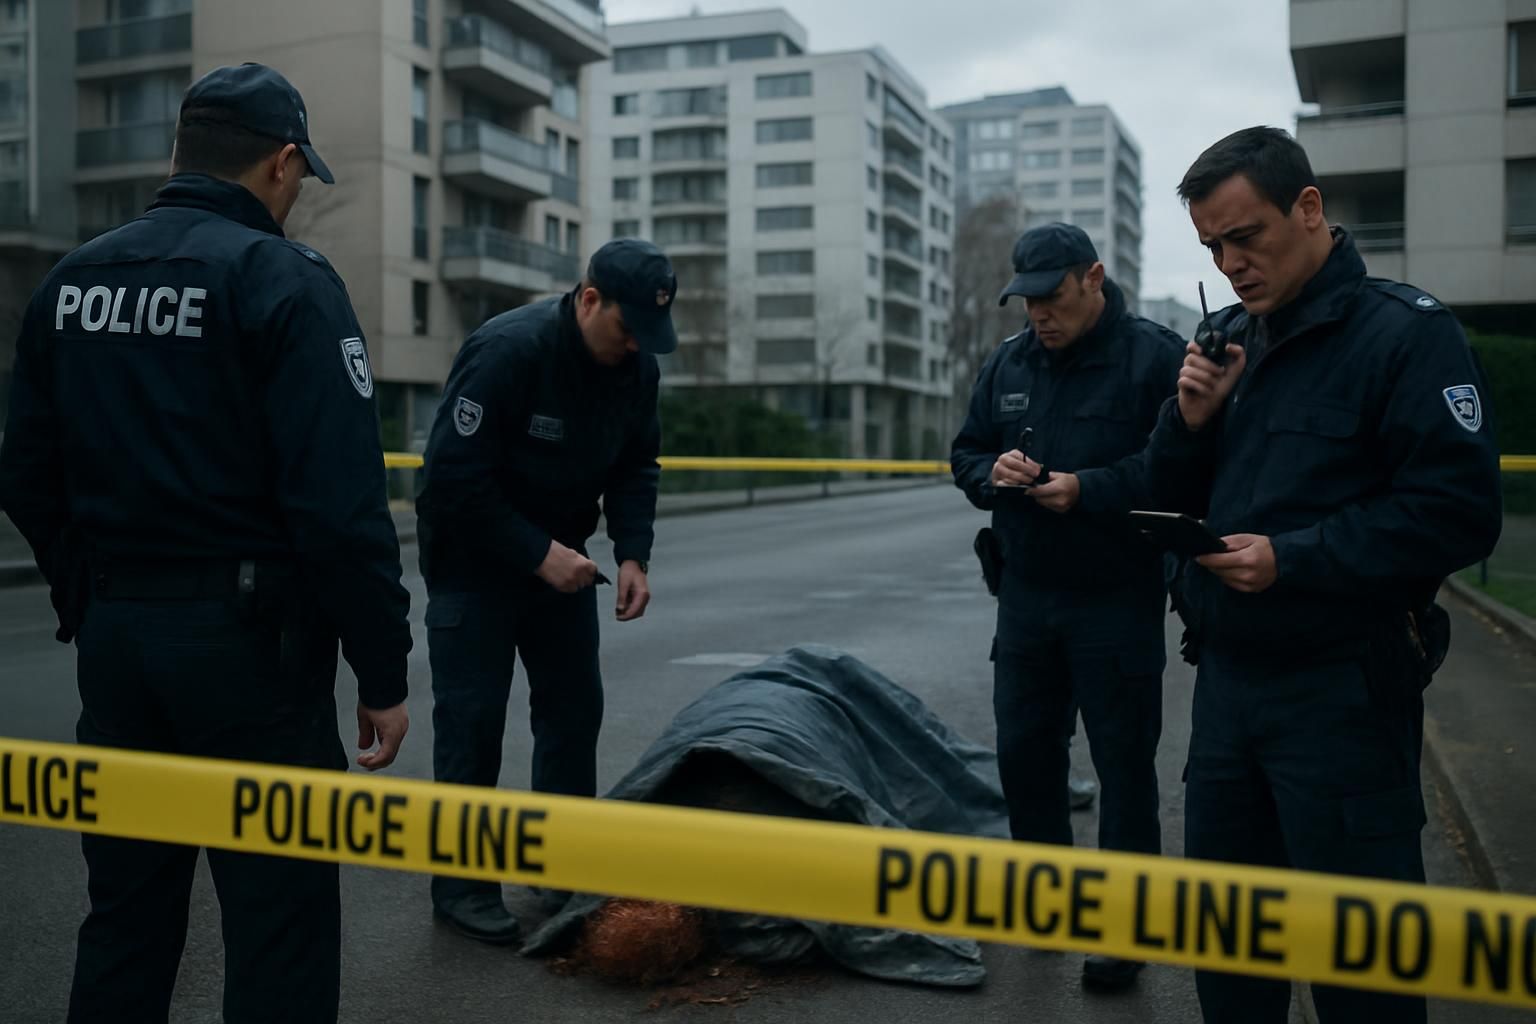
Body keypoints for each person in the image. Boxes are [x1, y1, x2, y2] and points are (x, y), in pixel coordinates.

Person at [0, 63, 411, 1023]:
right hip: (250, 655)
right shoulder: (283, 281)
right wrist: (381, 672)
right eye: (299, 173)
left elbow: (23, 470)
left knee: (127, 915)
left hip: (119, 641)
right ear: (278, 164)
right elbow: (341, 508)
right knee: (280, 922)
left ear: (178, 151)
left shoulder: (73, 281)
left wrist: (89, 593)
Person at [1143, 126, 1501, 1023]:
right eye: (1211, 247)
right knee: (1230, 966)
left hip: (1343, 696)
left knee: (1361, 975)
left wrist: (1293, 559)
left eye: (1245, 236)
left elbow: (1456, 513)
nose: (1229, 264)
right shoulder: (1227, 338)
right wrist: (1189, 422)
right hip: (1225, 692)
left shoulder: (1404, 336)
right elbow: (1159, 490)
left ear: (1309, 210)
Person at [414, 237, 670, 943]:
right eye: (626, 329)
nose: (634, 348)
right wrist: (535, 554)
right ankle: (461, 889)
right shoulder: (507, 351)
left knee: (572, 713)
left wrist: (632, 554)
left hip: (565, 560)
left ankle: (560, 868)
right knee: (473, 724)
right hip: (474, 563)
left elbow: (636, 464)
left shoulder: (635, 369)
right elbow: (450, 481)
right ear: (589, 300)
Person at [950, 222, 1183, 992]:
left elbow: (1178, 470)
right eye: (1028, 301)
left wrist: (1090, 488)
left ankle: (1122, 930)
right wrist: (994, 472)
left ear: (1093, 278)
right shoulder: (1009, 362)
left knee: (1123, 770)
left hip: (1116, 595)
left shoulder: (1153, 358)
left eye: (1053, 297)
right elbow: (966, 450)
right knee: (1025, 755)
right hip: (1026, 596)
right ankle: (1047, 904)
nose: (1039, 315)